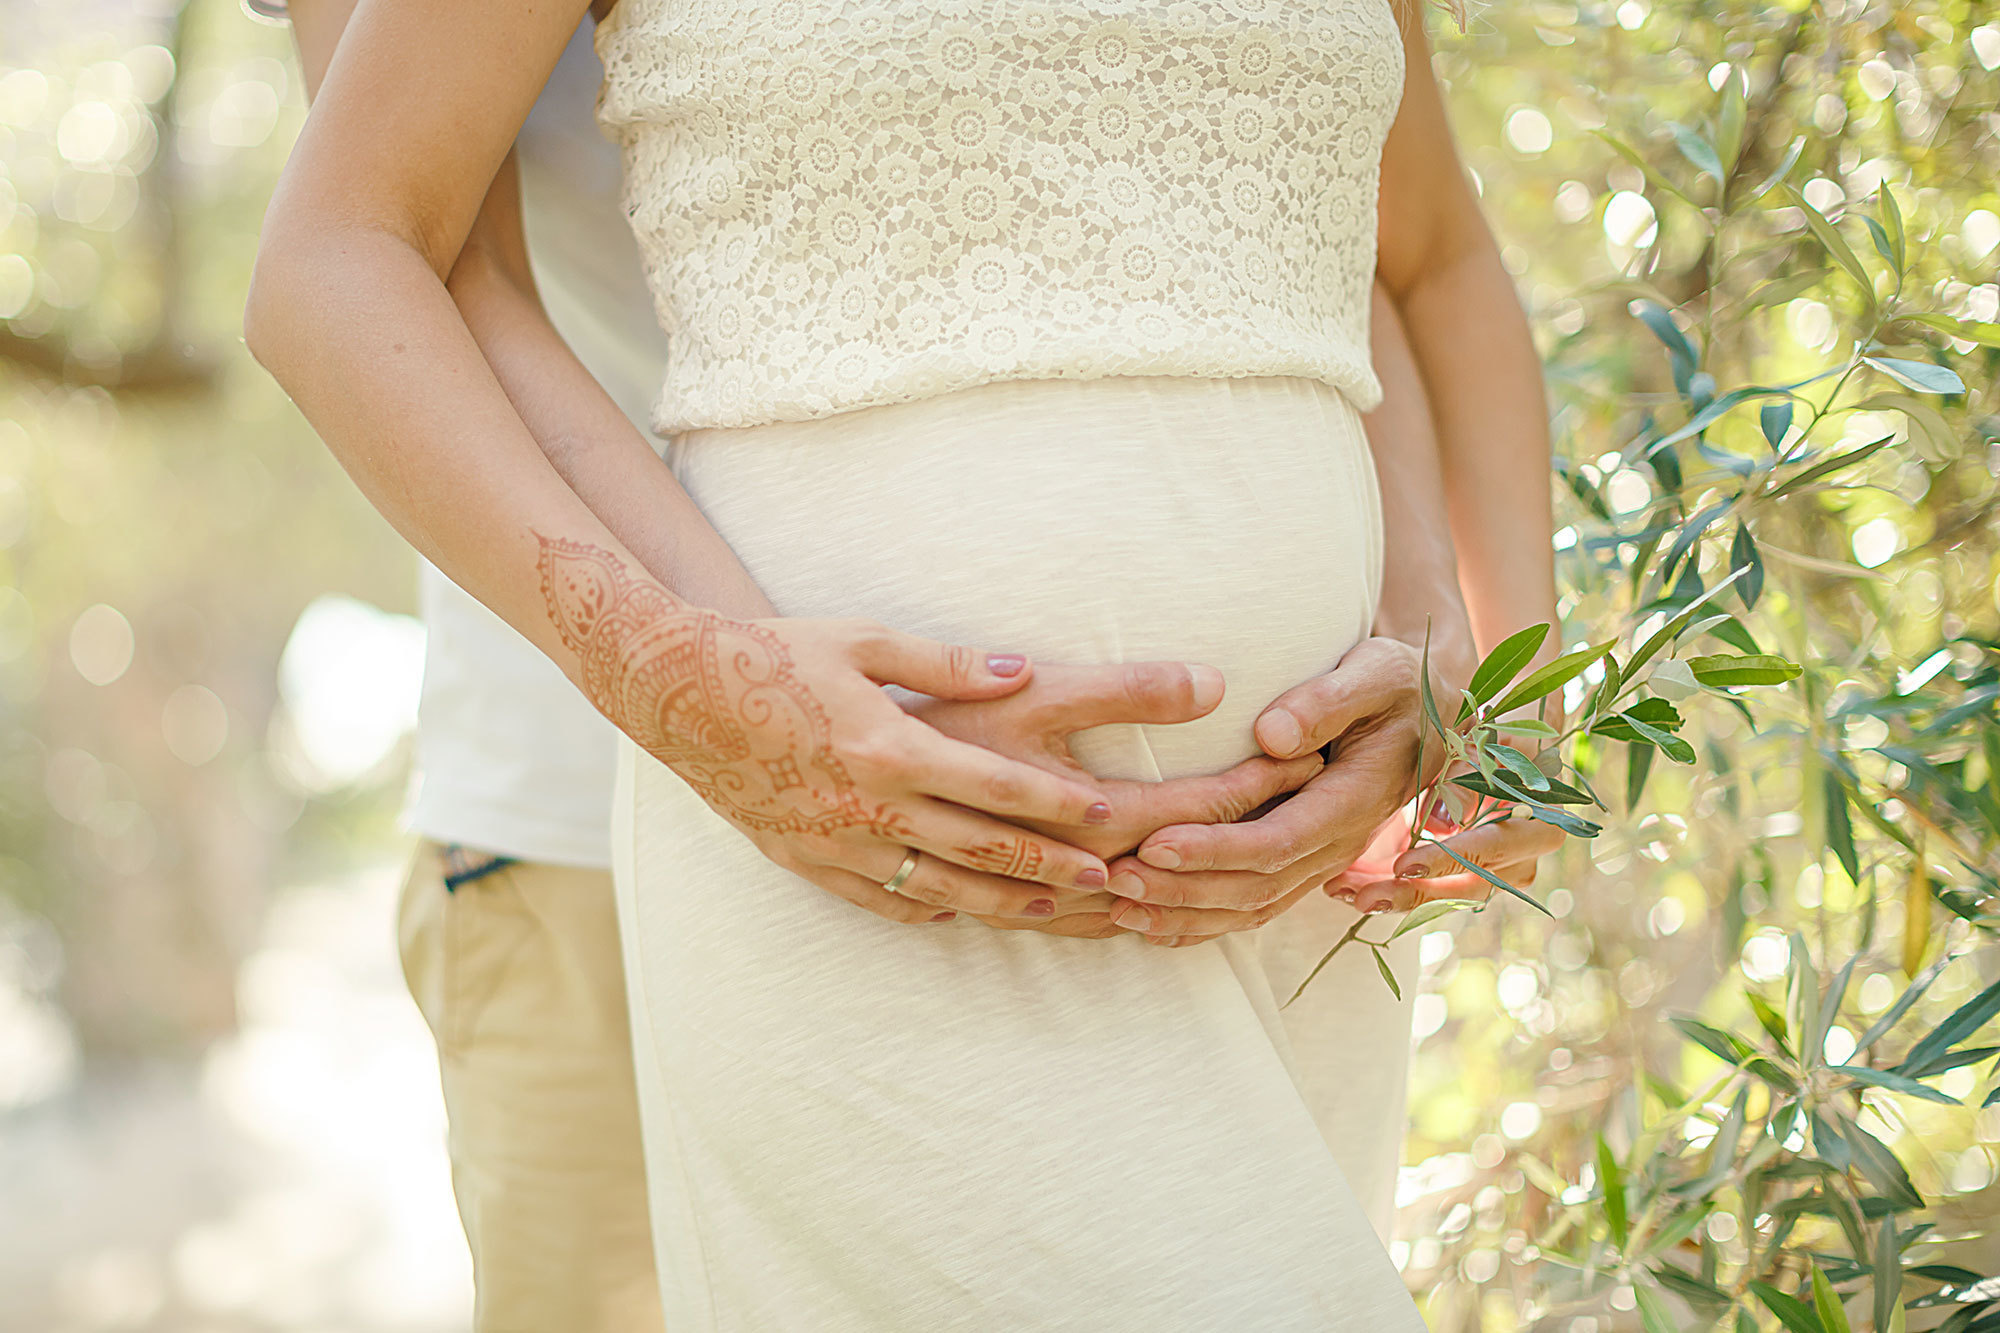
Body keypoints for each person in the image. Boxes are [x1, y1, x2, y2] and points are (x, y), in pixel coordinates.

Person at [249, 0, 1562, 1326]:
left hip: (1293, 887)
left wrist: (1480, 659)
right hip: (840, 832)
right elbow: (385, 249)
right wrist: (704, 680)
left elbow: (1401, 254)